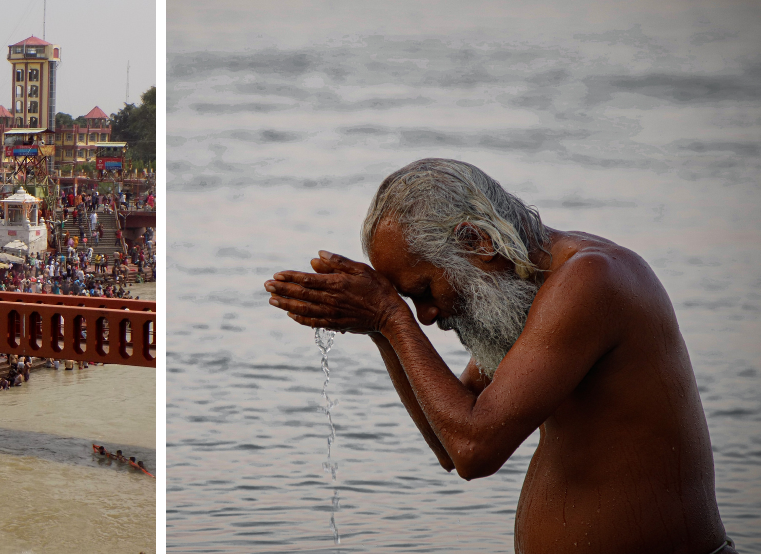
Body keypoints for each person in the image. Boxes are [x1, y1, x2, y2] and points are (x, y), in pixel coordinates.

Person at [264, 158, 734, 554]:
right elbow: (449, 442)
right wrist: (379, 328)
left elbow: (475, 450)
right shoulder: (528, 294)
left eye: (424, 291)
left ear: (477, 242)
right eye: (410, 303)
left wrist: (391, 317)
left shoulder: (591, 280)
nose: (426, 316)